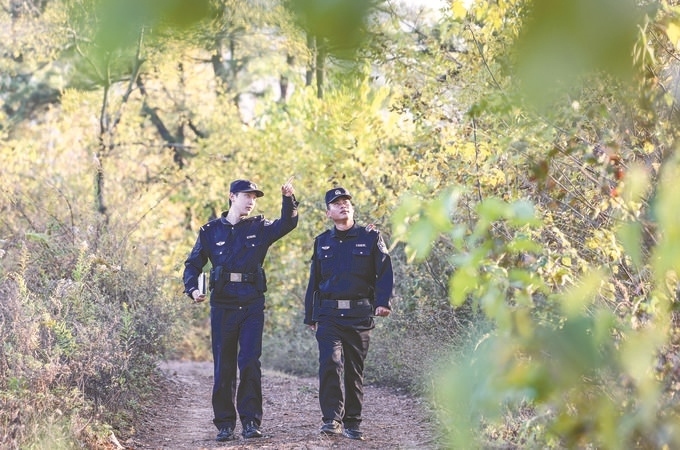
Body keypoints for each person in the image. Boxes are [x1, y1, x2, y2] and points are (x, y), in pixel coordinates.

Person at [183, 177, 298, 442]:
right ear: (232, 196)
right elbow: (193, 264)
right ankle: (225, 424)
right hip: (223, 305)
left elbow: (288, 223)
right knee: (224, 365)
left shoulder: (260, 227)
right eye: (247, 196)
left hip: (251, 304)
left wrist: (288, 198)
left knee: (249, 362)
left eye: (254, 197)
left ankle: (251, 422)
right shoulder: (210, 231)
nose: (251, 201)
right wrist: (193, 289)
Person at [304, 187, 393, 441]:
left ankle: (353, 422)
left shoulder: (370, 237)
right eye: (337, 203)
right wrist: (310, 315)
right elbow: (314, 280)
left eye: (346, 202)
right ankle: (331, 419)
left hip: (359, 314)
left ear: (352, 208)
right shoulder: (322, 241)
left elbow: (384, 271)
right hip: (329, 314)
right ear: (328, 212)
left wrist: (383, 302)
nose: (343, 205)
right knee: (329, 364)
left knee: (354, 370)